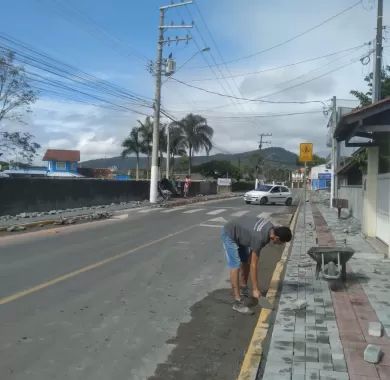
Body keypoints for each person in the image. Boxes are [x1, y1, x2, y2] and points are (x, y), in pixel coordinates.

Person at [221, 216, 292, 314]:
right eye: (281, 242)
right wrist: (255, 289)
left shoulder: (271, 229)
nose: (281, 244)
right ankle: (237, 302)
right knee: (235, 265)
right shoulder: (260, 238)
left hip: (241, 234)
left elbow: (250, 260)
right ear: (276, 237)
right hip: (230, 233)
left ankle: (243, 287)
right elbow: (254, 264)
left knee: (245, 260)